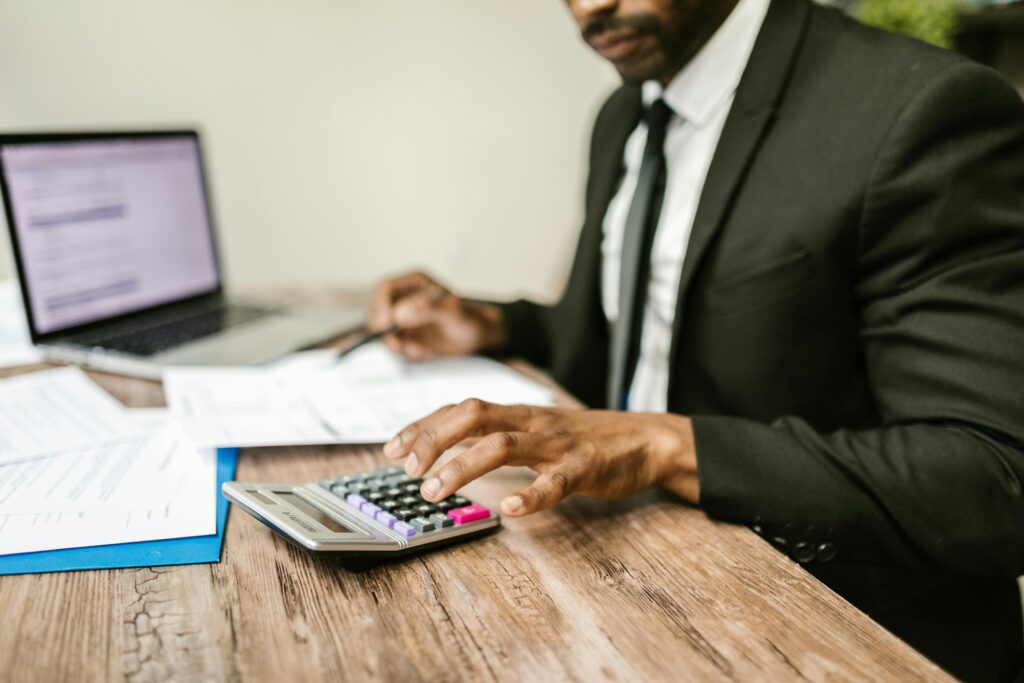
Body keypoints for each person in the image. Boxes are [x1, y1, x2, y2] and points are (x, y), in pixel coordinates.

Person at [367, 0, 1024, 679]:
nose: (590, 8)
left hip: (834, 633)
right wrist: (496, 324)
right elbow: (644, 331)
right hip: (635, 586)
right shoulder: (624, 114)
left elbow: (996, 476)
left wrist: (669, 445)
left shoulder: (919, 109)